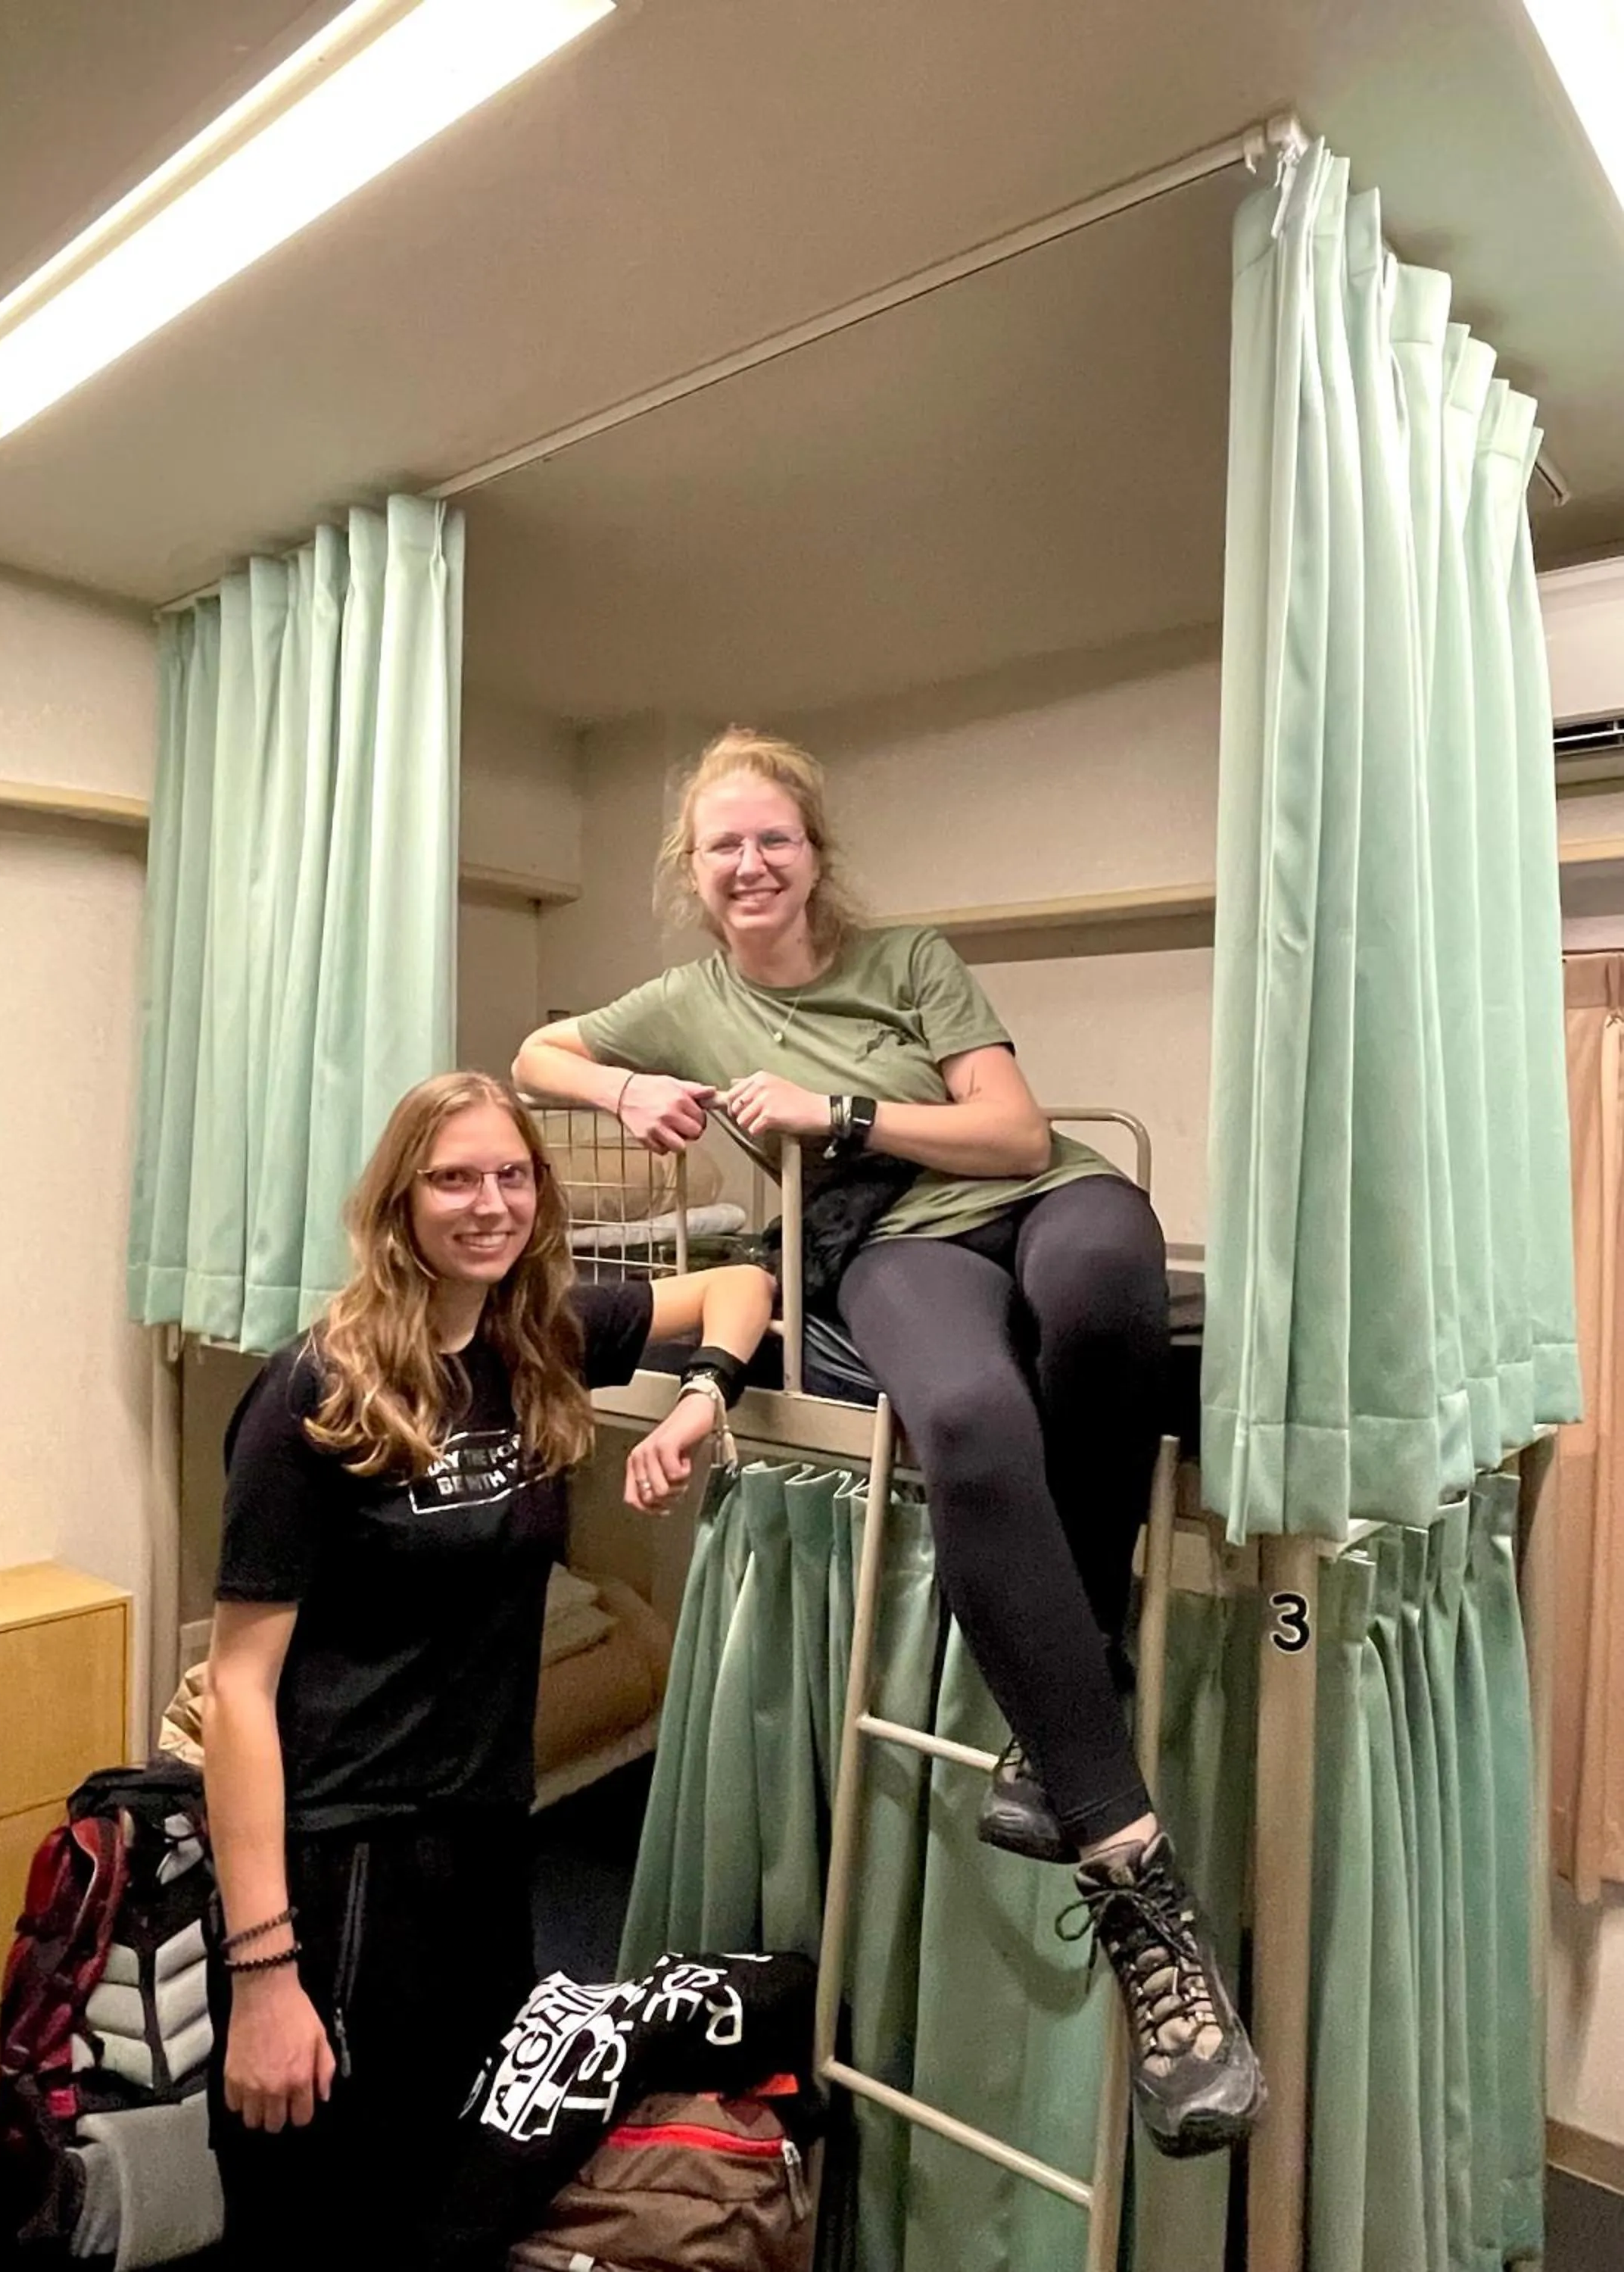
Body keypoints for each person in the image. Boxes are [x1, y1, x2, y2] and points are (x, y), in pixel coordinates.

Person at [513, 727, 1264, 2158]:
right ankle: (1133, 1882)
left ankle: (1077, 1659)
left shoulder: (907, 959)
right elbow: (534, 1053)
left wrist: (837, 1110)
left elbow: (1014, 1133)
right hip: (892, 1249)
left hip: (1044, 1198)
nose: (750, 863)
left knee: (1106, 1298)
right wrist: (624, 1091)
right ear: (691, 869)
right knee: (969, 1420)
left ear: (813, 854)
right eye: (723, 845)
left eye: (774, 838)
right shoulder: (688, 999)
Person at [201, 1070, 775, 2264]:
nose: (490, 1204)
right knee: (316, 2203)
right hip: (342, 1857)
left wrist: (699, 1403)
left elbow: (739, 1287)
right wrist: (264, 1973)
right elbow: (240, 1691)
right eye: (454, 1179)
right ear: (399, 1200)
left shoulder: (540, 1337)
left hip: (486, 1840)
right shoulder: (315, 1392)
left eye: (512, 1176)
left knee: (453, 2181)